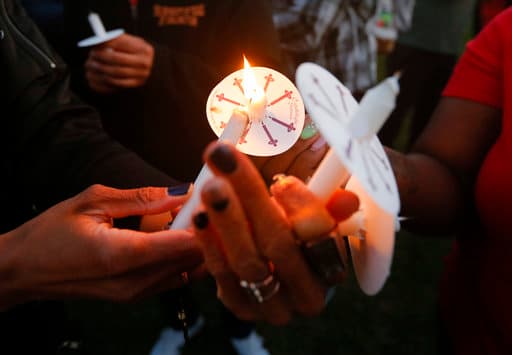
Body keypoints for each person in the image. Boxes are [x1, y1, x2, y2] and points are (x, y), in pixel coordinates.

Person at [56, 2, 328, 354]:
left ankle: (240, 327)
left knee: (236, 249)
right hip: (129, 156)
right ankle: (181, 319)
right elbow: (60, 82)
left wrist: (160, 66)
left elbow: (267, 84)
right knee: (164, 249)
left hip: (218, 154)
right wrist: (90, 78)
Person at [378, 0, 478, 151]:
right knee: (391, 109)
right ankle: (370, 161)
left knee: (428, 117)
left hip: (448, 46)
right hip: (412, 41)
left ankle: (412, 164)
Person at [271, 0, 414, 100]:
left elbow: (308, 29)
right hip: (320, 83)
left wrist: (257, 25)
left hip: (339, 86)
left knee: (325, 140)